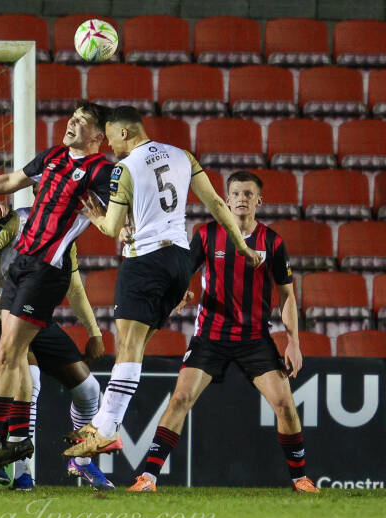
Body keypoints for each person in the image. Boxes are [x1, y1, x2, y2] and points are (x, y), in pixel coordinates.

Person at [63, 105, 262, 458]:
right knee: (134, 346)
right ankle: (103, 424)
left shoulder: (124, 167)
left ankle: (106, 430)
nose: (110, 146)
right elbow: (218, 204)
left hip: (146, 260)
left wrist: (96, 216)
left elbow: (112, 228)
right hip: (180, 262)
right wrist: (242, 246)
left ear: (124, 132)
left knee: (128, 345)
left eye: (111, 138)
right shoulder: (182, 155)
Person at [0, 102, 114, 467]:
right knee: (15, 356)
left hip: (46, 271)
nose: (72, 122)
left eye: (83, 121)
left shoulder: (102, 170)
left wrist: (108, 223)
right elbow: (9, 181)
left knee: (8, 351)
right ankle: (19, 440)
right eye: (72, 116)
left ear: (99, 136)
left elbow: (118, 217)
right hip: (21, 265)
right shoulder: (52, 156)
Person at [127, 170, 319, 494]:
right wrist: (180, 292)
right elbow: (183, 273)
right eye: (236, 194)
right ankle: (148, 477)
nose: (242, 199)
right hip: (211, 336)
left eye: (248, 194)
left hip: (254, 338)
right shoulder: (207, 235)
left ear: (259, 200)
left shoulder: (273, 242)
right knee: (181, 398)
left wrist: (293, 341)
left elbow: (287, 295)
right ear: (226, 200)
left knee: (285, 405)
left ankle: (300, 479)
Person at [0, 206, 115, 490]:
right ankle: (23, 473)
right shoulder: (16, 220)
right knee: (30, 382)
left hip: (38, 319)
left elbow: (74, 287)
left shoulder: (66, 232)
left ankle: (81, 461)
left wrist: (94, 331)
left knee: (90, 390)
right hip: (4, 318)